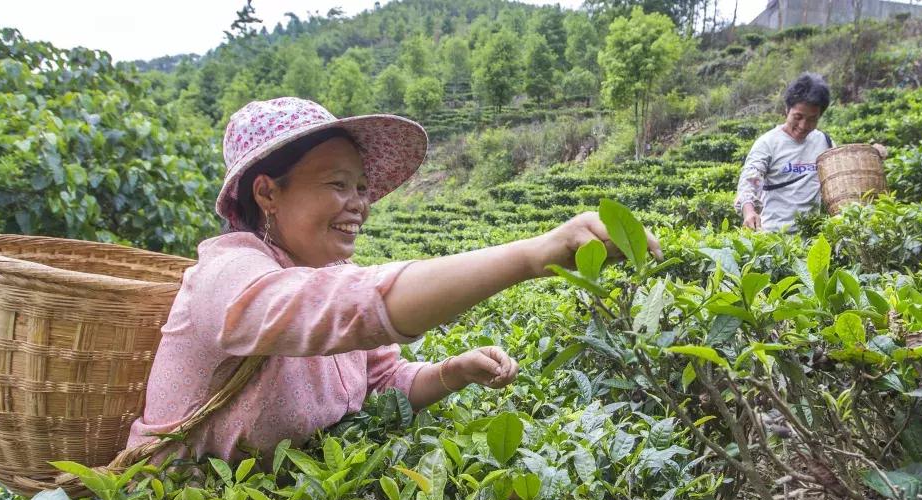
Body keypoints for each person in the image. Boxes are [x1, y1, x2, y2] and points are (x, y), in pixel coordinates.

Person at [126, 97, 661, 464]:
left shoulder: (330, 274)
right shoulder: (226, 270)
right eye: (337, 184)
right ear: (267, 193)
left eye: (361, 187)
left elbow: (383, 381)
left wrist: (451, 372)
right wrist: (532, 255)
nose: (358, 203)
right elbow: (327, 309)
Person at [736, 73, 886, 232]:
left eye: (812, 119)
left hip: (813, 236)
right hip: (774, 238)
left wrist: (872, 153)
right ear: (787, 109)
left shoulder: (824, 142)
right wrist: (749, 211)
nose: (803, 125)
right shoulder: (767, 143)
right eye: (798, 117)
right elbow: (749, 181)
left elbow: (844, 172)